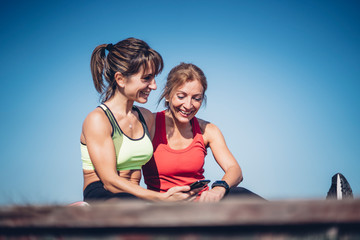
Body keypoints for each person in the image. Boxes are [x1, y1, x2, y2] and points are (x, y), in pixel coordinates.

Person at [80, 38, 192, 202]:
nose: (154, 86)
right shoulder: (98, 120)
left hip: (136, 196)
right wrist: (160, 198)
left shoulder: (145, 117)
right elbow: (110, 181)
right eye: (146, 78)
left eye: (154, 78)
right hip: (104, 196)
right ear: (120, 79)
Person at [142, 63, 264, 202]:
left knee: (240, 193)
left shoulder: (208, 130)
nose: (188, 105)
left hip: (202, 206)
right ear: (168, 94)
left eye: (196, 98)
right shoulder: (150, 123)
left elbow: (234, 169)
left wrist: (219, 188)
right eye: (181, 96)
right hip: (161, 207)